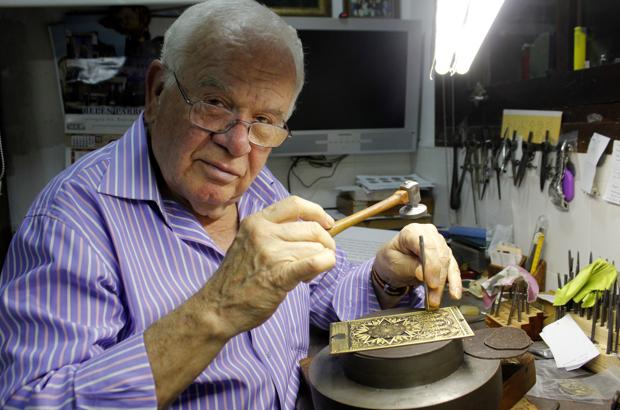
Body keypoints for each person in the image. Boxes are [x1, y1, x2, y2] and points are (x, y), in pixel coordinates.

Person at [0, 0, 461, 408]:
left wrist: (385, 277)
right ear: (156, 92)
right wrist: (216, 309)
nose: (238, 144)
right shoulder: (71, 223)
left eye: (264, 120)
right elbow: (34, 401)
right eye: (216, 104)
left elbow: (319, 291)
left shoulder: (260, 190)